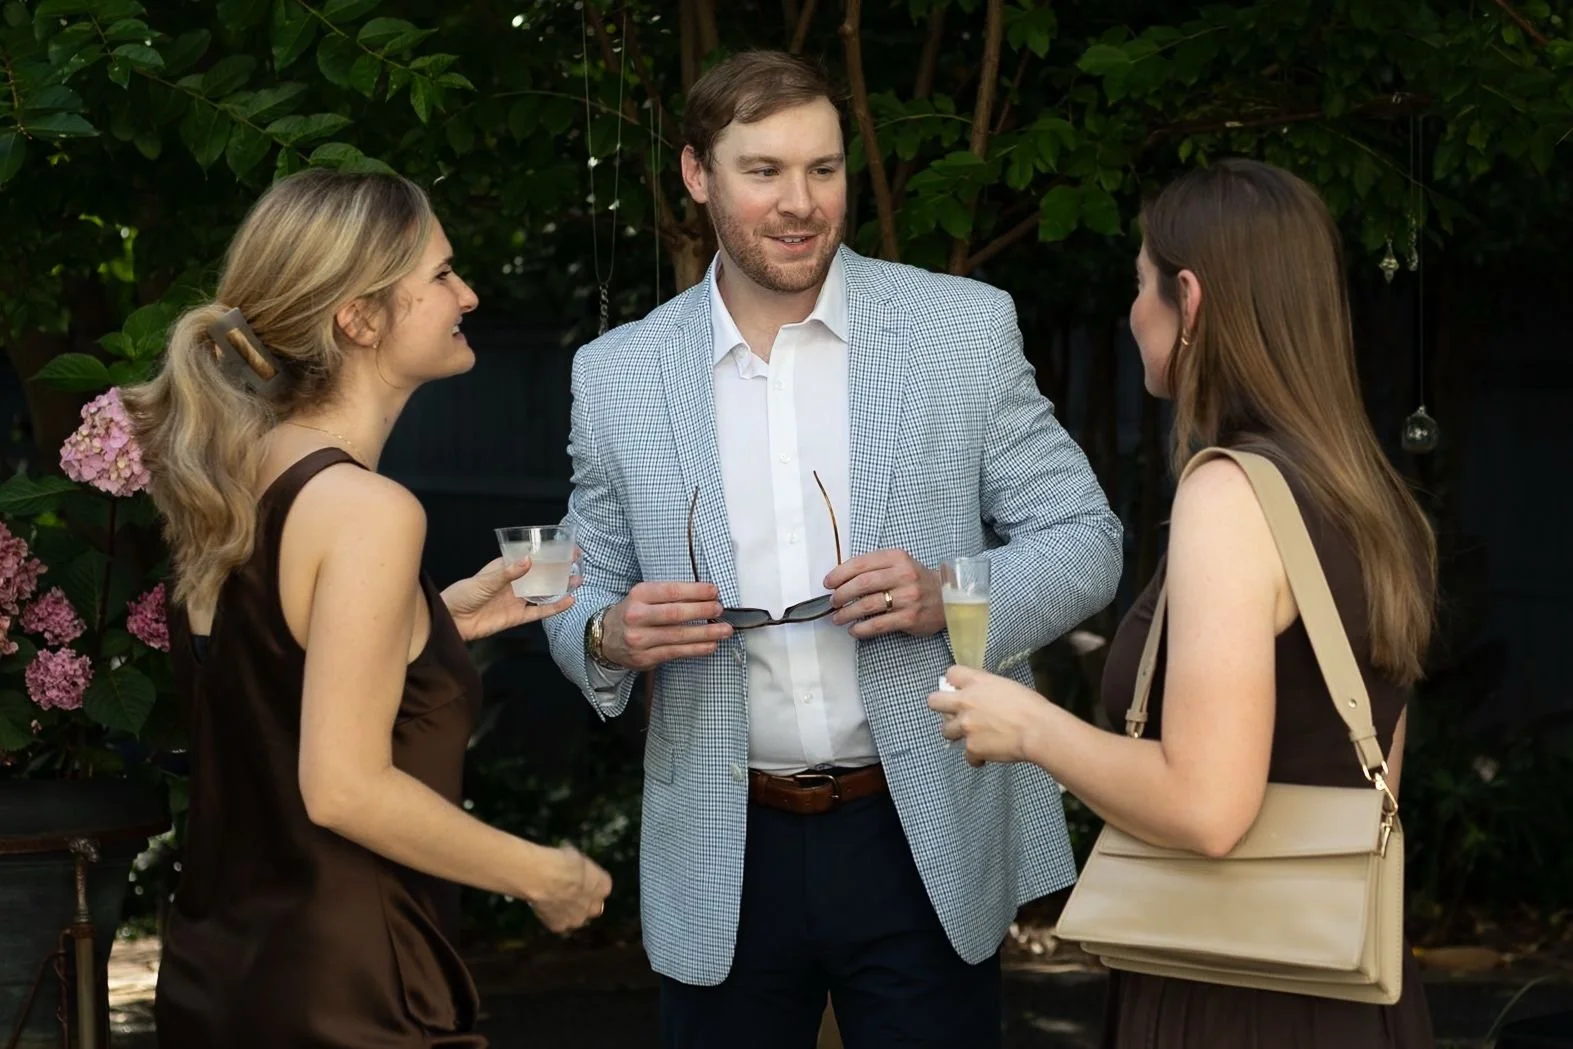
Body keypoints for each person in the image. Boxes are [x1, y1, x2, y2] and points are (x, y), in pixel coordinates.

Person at [541, 50, 1122, 1049]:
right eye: (762, 171)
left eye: (823, 168)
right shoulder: (616, 371)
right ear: (696, 174)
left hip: (921, 828)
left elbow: (1086, 537)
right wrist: (604, 633)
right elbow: (570, 573)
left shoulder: (961, 328)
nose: (800, 203)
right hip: (723, 841)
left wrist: (950, 593)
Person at [929, 158, 1437, 1048]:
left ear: (1188, 298)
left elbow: (1207, 807)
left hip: (1232, 992)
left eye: (1140, 284)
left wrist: (1029, 726)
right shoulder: (1370, 495)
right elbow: (1379, 777)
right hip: (1345, 978)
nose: (1133, 312)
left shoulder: (1229, 493)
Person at [124, 169, 612, 1049]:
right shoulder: (369, 511)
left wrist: (434, 629)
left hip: (218, 981)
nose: (467, 294)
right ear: (358, 319)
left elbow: (268, 679)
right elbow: (343, 786)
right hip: (349, 996)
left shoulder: (236, 477)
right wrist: (544, 873)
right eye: (440, 274)